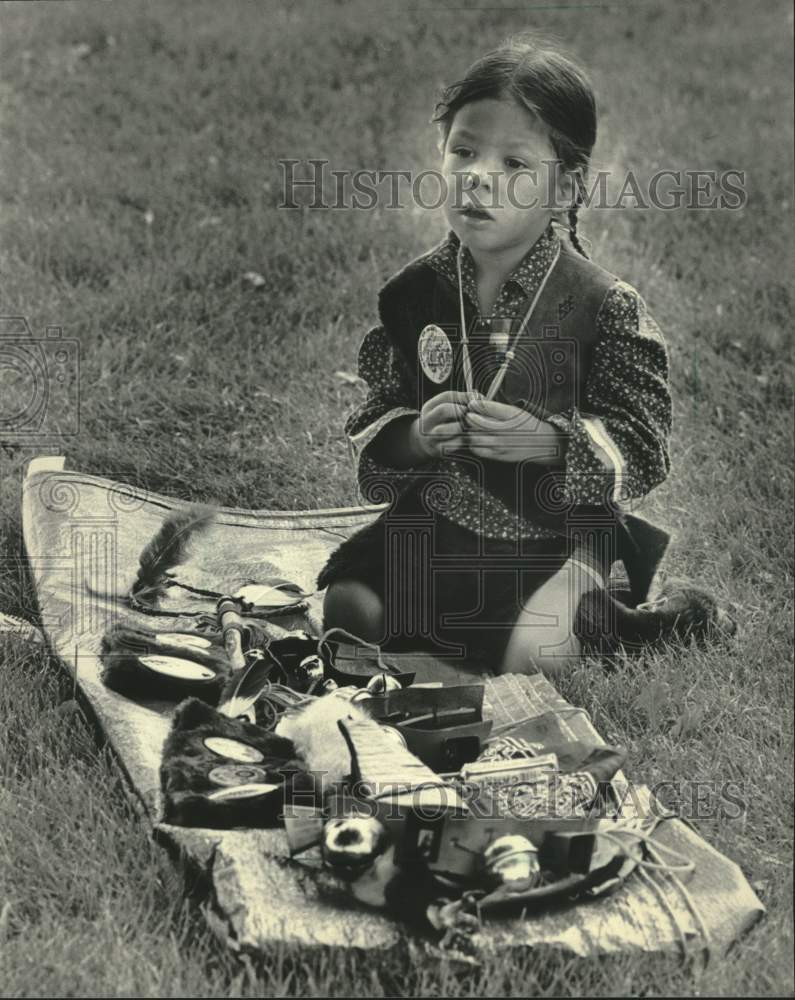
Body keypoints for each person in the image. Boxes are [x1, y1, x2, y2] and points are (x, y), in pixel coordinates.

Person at [316, 34, 672, 676]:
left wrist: (549, 442)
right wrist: (419, 437)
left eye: (515, 164)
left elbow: (643, 443)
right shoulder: (414, 294)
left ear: (564, 186)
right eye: (465, 152)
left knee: (534, 655)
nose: (480, 176)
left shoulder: (601, 305)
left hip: (557, 531)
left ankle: (635, 613)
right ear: (441, 157)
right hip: (443, 514)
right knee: (349, 610)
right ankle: (449, 662)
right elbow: (378, 416)